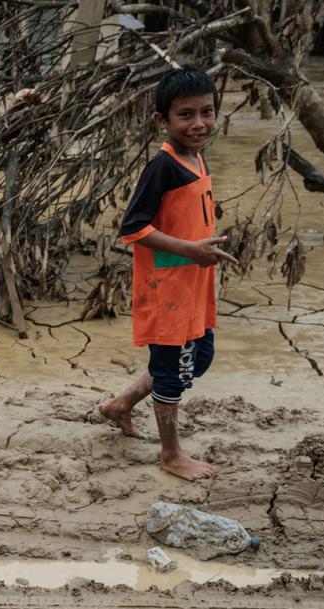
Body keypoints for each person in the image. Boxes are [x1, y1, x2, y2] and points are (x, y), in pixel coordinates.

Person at [99, 66, 238, 482]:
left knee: (199, 358)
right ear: (162, 119)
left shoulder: (196, 157)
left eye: (207, 112)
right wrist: (189, 249)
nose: (199, 124)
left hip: (194, 286)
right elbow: (132, 228)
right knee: (172, 372)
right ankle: (171, 454)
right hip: (168, 290)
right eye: (186, 115)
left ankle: (121, 402)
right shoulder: (163, 166)